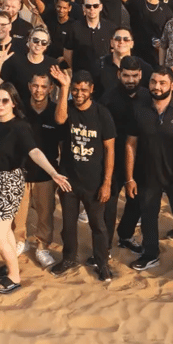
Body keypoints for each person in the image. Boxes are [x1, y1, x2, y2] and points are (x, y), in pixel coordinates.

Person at [0, 83, 71, 295]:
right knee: (7, 231)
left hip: (8, 183)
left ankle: (14, 276)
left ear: (13, 103)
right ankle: (11, 265)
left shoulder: (20, 127)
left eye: (4, 101)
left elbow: (35, 152)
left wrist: (52, 172)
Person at [125, 68, 173, 279]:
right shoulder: (139, 110)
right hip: (147, 175)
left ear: (172, 85)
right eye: (153, 82)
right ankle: (150, 254)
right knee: (148, 216)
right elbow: (130, 144)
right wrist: (130, 177)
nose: (156, 87)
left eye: (162, 83)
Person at [50, 70, 117, 282]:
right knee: (68, 224)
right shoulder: (67, 108)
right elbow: (60, 119)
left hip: (94, 182)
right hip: (69, 180)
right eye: (76, 89)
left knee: (98, 224)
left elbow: (110, 149)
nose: (79, 94)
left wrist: (106, 183)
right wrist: (64, 88)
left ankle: (102, 262)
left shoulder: (102, 114)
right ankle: (69, 258)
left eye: (83, 90)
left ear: (92, 90)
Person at [101, 57, 150, 256]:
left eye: (134, 76)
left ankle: (126, 235)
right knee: (109, 205)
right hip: (113, 159)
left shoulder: (148, 97)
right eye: (126, 75)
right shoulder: (108, 98)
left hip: (140, 160)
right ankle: (104, 246)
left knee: (136, 201)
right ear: (119, 74)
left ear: (140, 75)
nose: (130, 80)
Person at [23, 72, 63, 268]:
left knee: (45, 213)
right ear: (30, 86)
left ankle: (42, 247)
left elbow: (63, 144)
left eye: (43, 86)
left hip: (46, 174)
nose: (38, 90)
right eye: (35, 85)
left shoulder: (57, 112)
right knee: (17, 213)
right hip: (20, 171)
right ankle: (20, 241)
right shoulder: (19, 109)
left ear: (50, 89)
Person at [0, 25, 58, 106]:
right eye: (36, 40)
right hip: (19, 108)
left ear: (47, 46)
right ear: (29, 41)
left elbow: (60, 87)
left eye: (44, 42)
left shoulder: (52, 63)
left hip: (41, 108)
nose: (39, 44)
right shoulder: (15, 60)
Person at [127, 0, 173, 66]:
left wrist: (162, 44)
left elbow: (171, 34)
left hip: (155, 57)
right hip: (136, 54)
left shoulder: (166, 10)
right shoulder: (136, 3)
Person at [64, 0, 115, 74]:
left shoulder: (110, 28)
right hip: (81, 76)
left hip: (104, 75)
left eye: (95, 6)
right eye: (88, 6)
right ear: (83, 8)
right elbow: (67, 53)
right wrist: (75, 69)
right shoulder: (74, 27)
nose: (92, 9)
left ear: (101, 7)